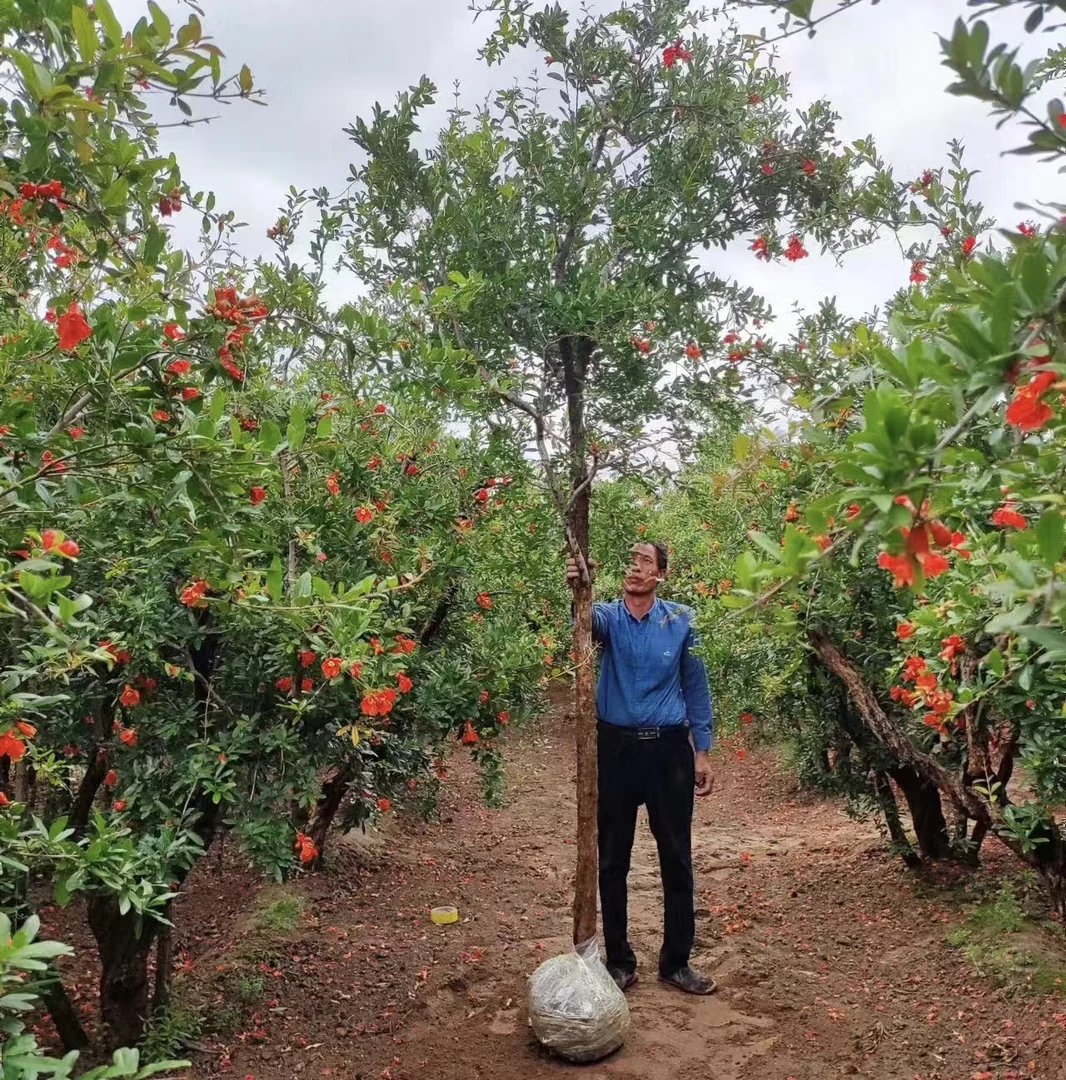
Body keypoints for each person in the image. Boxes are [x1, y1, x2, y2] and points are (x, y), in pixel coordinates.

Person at [566, 539, 716, 996]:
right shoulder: (607, 617)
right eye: (630, 560)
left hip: (668, 751)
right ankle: (619, 962)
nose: (634, 567)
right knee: (613, 859)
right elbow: (582, 623)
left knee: (677, 857)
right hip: (615, 749)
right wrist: (579, 586)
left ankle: (676, 962)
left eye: (644, 561)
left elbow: (696, 686)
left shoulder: (682, 620)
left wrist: (702, 750)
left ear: (660, 574)